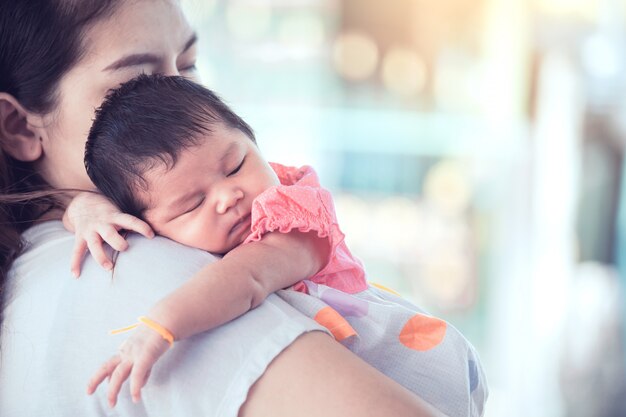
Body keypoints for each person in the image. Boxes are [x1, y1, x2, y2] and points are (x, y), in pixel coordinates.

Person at [0, 1, 455, 416]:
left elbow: (250, 276)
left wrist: (83, 206)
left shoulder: (48, 270)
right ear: (19, 127)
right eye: (137, 82)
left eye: (190, 63)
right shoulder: (128, 267)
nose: (175, 102)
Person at [69, 73, 487, 417]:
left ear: (255, 143)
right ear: (149, 224)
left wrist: (159, 327)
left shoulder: (295, 216)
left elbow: (246, 277)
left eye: (235, 166)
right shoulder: (157, 220)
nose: (227, 197)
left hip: (418, 368)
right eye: (192, 204)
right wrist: (86, 211)